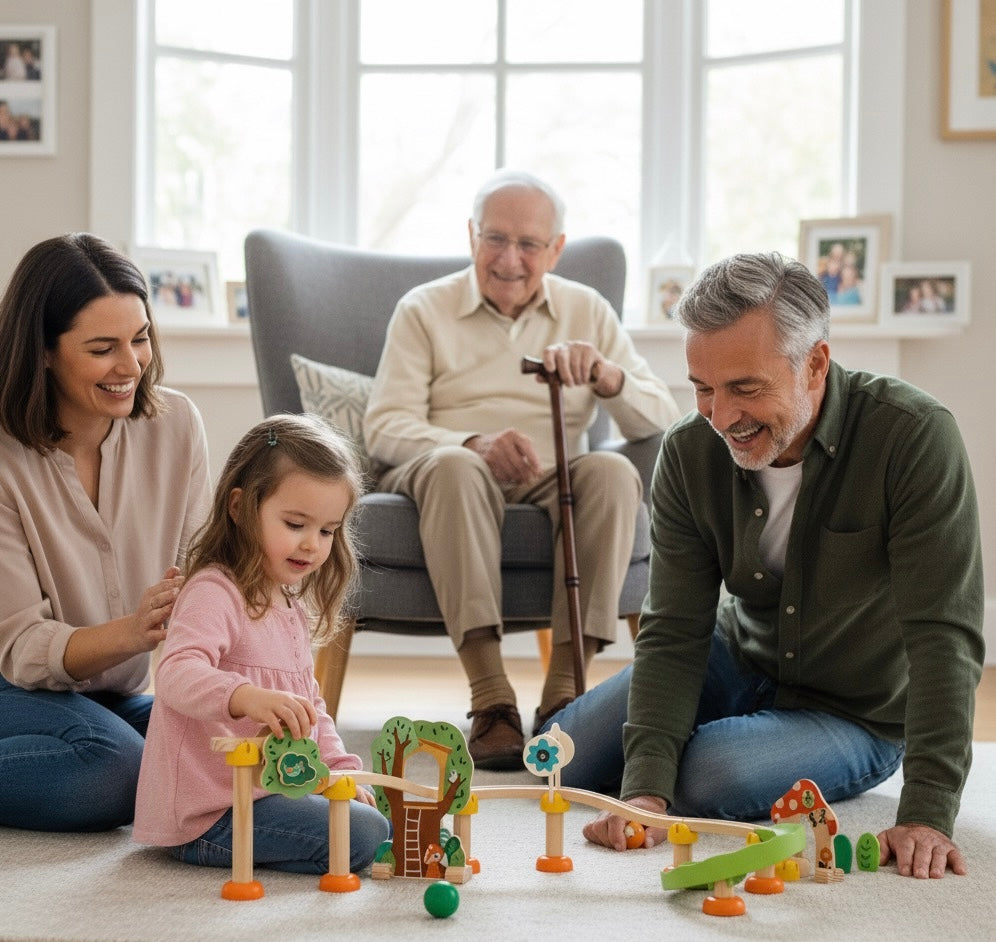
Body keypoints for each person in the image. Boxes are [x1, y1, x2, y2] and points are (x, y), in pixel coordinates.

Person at [550, 251, 984, 879]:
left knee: (710, 775)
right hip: (738, 657)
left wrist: (928, 810)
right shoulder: (688, 453)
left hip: (855, 709)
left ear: (815, 364)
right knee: (568, 754)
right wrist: (644, 790)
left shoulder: (913, 436)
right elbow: (674, 629)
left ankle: (730, 744)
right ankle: (702, 740)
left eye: (746, 388)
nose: (721, 417)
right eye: (703, 389)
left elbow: (944, 633)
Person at [363, 169, 680, 770]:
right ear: (471, 236)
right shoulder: (423, 310)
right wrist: (473, 442)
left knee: (612, 475)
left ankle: (564, 697)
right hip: (444, 466)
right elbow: (383, 426)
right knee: (457, 468)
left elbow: (660, 417)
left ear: (556, 249)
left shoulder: (587, 309)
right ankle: (491, 702)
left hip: (550, 469)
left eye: (529, 244)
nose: (510, 259)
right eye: (495, 239)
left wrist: (607, 377)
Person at [0, 233, 212, 831]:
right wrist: (135, 632)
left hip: (109, 696)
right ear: (43, 352)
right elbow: (21, 648)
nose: (132, 365)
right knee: (114, 769)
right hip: (2, 689)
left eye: (140, 339)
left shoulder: (177, 425)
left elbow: (206, 573)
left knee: (226, 753)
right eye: (102, 348)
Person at [133, 414, 391, 874]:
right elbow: (174, 674)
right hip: (212, 816)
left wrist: (342, 768)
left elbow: (312, 707)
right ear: (240, 507)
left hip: (274, 790)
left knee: (386, 812)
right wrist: (243, 697)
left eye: (328, 531)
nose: (313, 545)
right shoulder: (215, 590)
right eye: (295, 524)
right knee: (366, 833)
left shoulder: (288, 605)